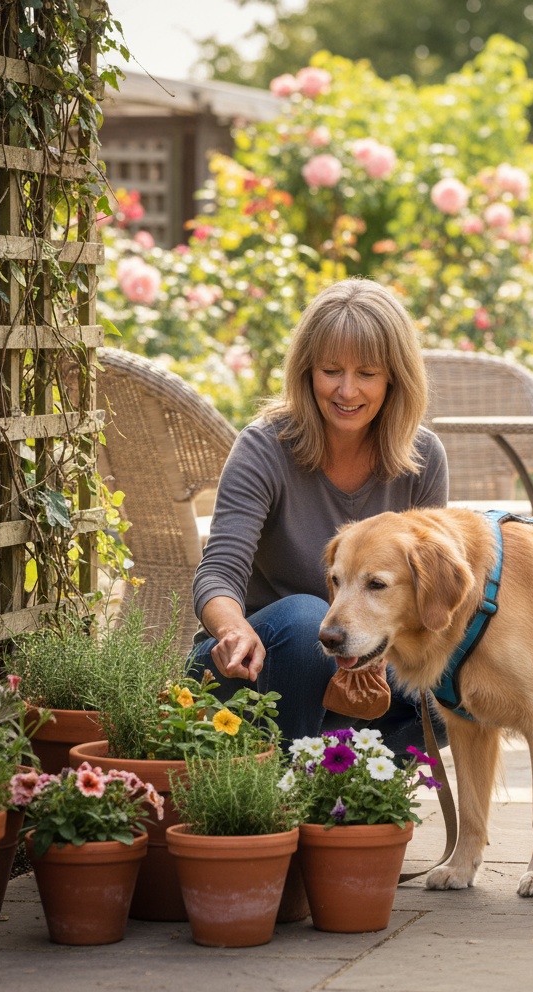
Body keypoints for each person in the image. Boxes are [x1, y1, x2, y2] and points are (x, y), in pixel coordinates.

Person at [188, 278, 449, 751]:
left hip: (370, 664)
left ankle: (350, 782)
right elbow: (219, 571)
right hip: (255, 668)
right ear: (307, 371)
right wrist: (232, 630)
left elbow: (430, 596)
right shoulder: (264, 447)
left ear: (394, 376)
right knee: (309, 620)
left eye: (367, 373)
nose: (347, 390)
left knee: (462, 681)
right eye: (331, 370)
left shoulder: (423, 456)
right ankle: (288, 791)